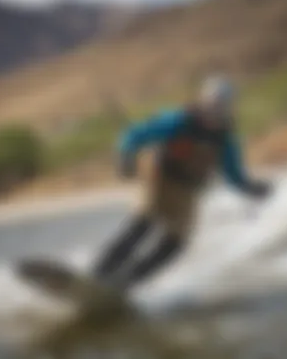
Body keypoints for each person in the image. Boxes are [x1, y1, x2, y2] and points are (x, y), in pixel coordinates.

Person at [94, 75, 272, 288]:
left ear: (228, 110)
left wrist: (251, 188)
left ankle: (126, 284)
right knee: (144, 225)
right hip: (161, 179)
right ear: (203, 102)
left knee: (176, 244)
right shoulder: (178, 121)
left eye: (220, 107)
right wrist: (126, 157)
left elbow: (232, 175)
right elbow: (135, 135)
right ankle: (98, 275)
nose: (214, 112)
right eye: (211, 105)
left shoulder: (225, 141)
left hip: (187, 192)